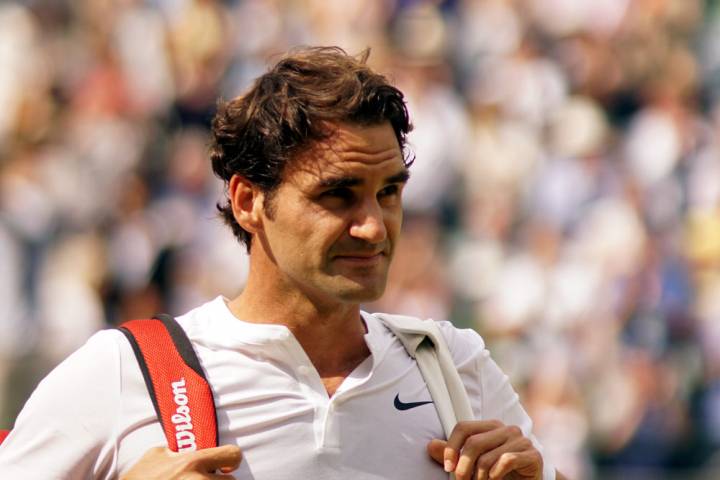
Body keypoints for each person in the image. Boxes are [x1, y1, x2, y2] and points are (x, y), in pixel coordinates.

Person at [0, 46, 566, 480]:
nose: (372, 225)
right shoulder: (128, 370)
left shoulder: (454, 367)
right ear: (249, 202)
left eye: (389, 192)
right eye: (338, 195)